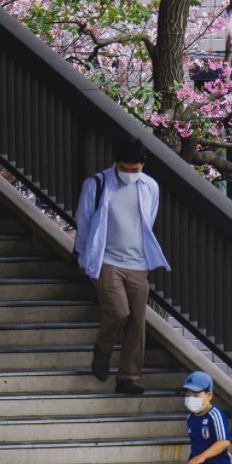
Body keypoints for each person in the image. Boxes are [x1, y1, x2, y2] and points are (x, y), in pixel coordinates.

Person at [73, 136, 170, 396]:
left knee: (138, 320)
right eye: (125, 169)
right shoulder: (97, 184)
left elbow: (148, 221)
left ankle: (129, 376)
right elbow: (83, 222)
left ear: (143, 165)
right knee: (118, 312)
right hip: (106, 260)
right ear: (116, 163)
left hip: (138, 262)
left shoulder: (150, 186)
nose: (130, 174)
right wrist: (83, 257)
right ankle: (103, 349)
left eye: (135, 169)